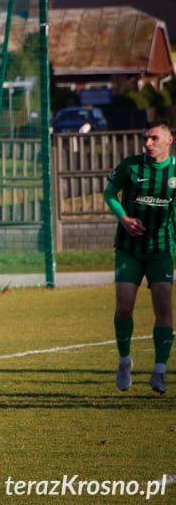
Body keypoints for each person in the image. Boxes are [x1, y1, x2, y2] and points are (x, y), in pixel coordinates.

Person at [103, 119, 176, 394]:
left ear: (168, 140)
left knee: (163, 306)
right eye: (146, 138)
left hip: (161, 248)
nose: (148, 143)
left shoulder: (174, 171)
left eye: (154, 138)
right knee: (124, 307)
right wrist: (123, 218)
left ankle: (159, 370)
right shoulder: (132, 166)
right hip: (129, 248)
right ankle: (124, 360)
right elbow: (110, 192)